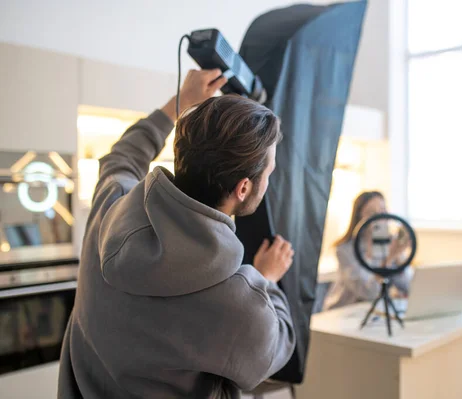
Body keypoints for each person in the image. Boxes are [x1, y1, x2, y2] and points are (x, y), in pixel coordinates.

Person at [58, 69, 296, 398]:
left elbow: (122, 156)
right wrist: (266, 279)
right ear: (243, 188)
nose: (269, 180)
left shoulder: (109, 214)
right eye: (268, 172)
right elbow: (277, 348)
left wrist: (179, 102)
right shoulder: (240, 305)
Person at [323, 191, 414, 311]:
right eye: (372, 213)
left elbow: (409, 287)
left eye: (383, 210)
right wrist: (389, 259)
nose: (380, 217)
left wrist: (399, 259)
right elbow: (368, 293)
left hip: (374, 311)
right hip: (344, 312)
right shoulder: (345, 250)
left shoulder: (390, 244)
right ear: (359, 218)